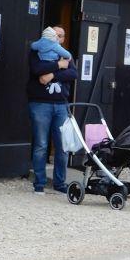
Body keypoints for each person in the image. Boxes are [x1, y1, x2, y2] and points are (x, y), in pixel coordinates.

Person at [27, 25, 78, 195]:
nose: (57, 37)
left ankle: (59, 183)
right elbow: (37, 70)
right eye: (55, 34)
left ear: (63, 39)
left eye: (61, 35)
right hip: (40, 104)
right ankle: (39, 184)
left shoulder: (66, 54)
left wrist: (52, 75)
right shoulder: (37, 51)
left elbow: (73, 74)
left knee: (62, 147)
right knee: (41, 145)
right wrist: (59, 65)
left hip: (62, 105)